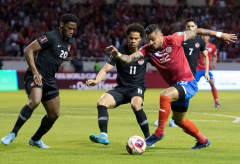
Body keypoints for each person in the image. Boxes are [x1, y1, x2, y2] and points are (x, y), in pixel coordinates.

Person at [106, 24, 236, 149]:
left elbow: (197, 31)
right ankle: (203, 140)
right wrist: (117, 54)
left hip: (188, 83)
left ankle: (158, 133)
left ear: (161, 35)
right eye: (148, 40)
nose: (151, 43)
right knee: (180, 121)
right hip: (177, 87)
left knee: (164, 95)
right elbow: (129, 59)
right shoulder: (147, 49)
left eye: (153, 39)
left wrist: (221, 34)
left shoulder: (174, 39)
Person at [1, 14, 79, 148]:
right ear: (61, 25)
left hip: (50, 79)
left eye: (73, 29)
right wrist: (35, 72)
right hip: (36, 75)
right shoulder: (50, 37)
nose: (71, 31)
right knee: (35, 100)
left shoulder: (70, 42)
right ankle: (12, 134)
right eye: (69, 28)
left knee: (54, 114)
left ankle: (36, 139)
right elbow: (28, 50)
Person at [86, 23, 152, 146]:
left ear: (140, 39)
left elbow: (161, 64)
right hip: (121, 89)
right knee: (101, 102)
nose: (133, 41)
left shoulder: (145, 52)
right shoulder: (120, 50)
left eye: (136, 39)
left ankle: (149, 139)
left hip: (137, 88)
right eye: (131, 38)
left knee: (136, 105)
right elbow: (105, 69)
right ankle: (103, 135)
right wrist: (96, 81)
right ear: (127, 38)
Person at [155, 17, 210, 127]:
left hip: (190, 74)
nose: (190, 28)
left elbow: (205, 56)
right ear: (185, 27)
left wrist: (207, 72)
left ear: (196, 28)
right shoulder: (181, 39)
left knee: (181, 97)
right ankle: (165, 119)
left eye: (192, 26)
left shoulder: (200, 41)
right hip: (177, 72)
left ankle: (173, 119)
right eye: (188, 26)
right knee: (170, 95)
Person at [196, 35, 221, 108]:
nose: (204, 37)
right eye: (202, 36)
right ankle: (183, 101)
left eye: (206, 36)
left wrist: (214, 63)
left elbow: (215, 55)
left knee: (212, 83)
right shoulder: (197, 45)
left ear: (209, 37)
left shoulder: (212, 46)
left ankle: (216, 102)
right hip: (197, 69)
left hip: (207, 69)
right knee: (191, 84)